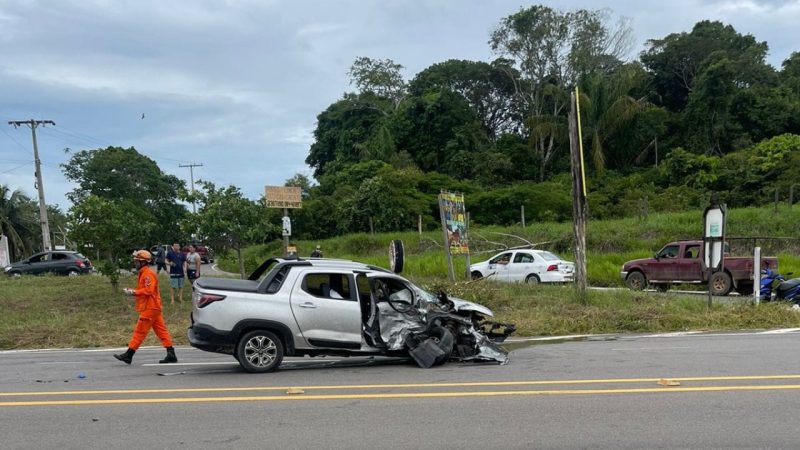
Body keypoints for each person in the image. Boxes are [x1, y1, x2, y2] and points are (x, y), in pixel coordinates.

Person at [114, 250, 177, 365]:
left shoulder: (148, 274)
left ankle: (129, 355)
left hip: (150, 308)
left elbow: (148, 291)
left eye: (137, 261)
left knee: (140, 331)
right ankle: (171, 354)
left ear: (143, 262)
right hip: (153, 307)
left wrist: (133, 292)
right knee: (161, 331)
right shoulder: (144, 273)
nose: (135, 263)